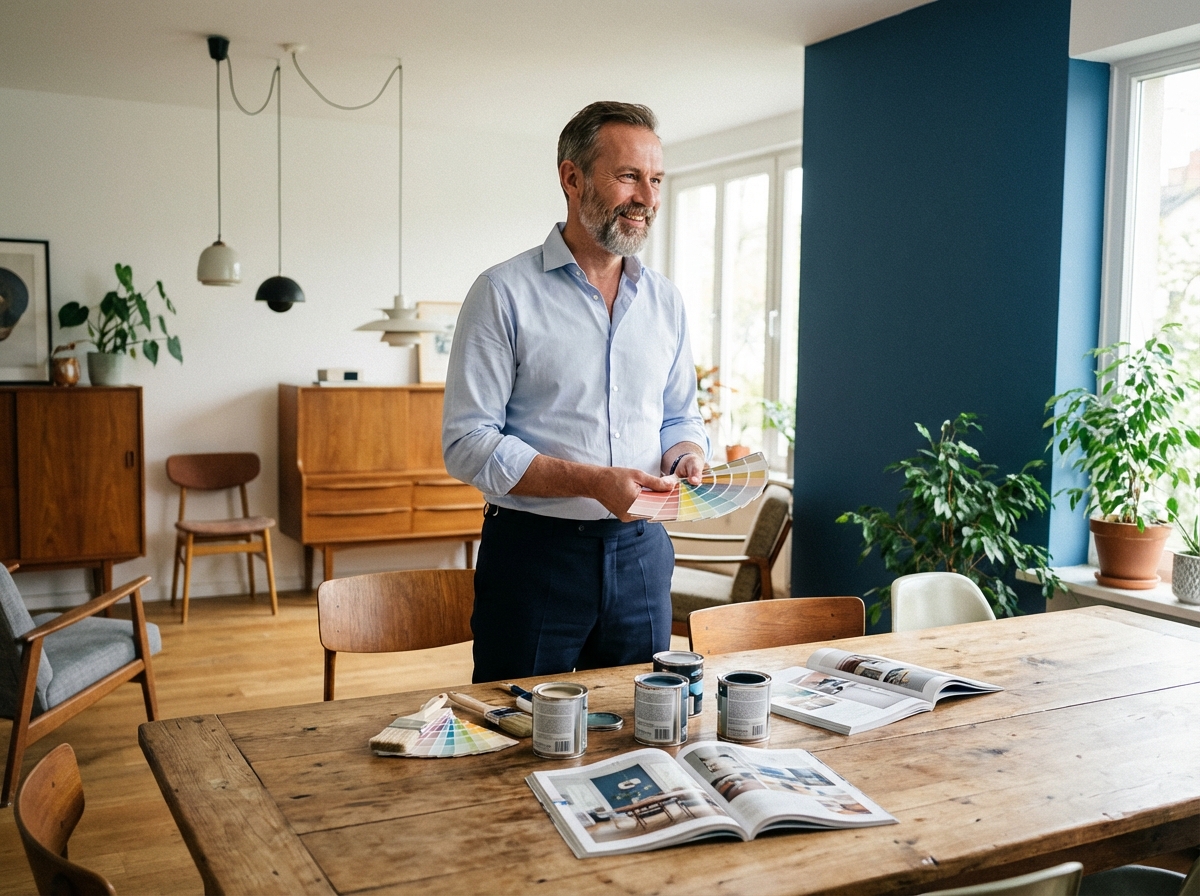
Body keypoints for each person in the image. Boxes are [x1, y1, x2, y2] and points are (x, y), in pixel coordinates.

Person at [443, 101, 709, 684]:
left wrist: (684, 453)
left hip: (643, 554)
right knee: (517, 735)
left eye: (656, 179)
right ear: (572, 178)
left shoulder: (666, 301)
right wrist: (592, 481)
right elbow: (467, 443)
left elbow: (678, 415)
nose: (647, 196)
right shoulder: (501, 293)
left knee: (642, 725)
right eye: (628, 176)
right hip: (535, 558)